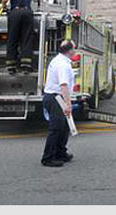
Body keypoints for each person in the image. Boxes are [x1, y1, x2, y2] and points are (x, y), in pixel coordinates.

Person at [41, 39, 76, 167]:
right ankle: (48, 157)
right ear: (70, 50)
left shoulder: (59, 60)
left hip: (54, 97)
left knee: (64, 128)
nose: (75, 50)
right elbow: (64, 85)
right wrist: (68, 104)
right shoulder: (63, 65)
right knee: (56, 129)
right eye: (74, 48)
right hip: (57, 98)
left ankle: (61, 152)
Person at [0, 0, 34, 74]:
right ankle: (26, 65)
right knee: (26, 38)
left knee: (12, 38)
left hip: (15, 13)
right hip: (28, 13)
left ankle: (11, 66)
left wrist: (3, 6)